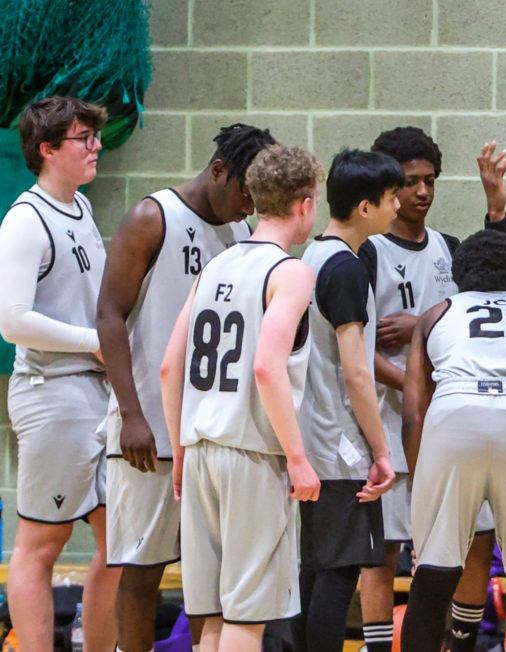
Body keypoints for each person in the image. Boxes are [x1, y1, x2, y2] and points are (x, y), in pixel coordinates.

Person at [96, 123, 275, 652]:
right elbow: (109, 316)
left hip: (211, 432)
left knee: (211, 578)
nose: (249, 205)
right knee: (144, 567)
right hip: (148, 427)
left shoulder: (243, 236)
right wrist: (131, 415)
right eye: (245, 192)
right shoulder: (153, 217)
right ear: (218, 170)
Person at [160, 144, 323, 652]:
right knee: (247, 620)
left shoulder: (215, 266)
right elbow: (266, 366)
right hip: (251, 455)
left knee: (213, 619)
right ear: (305, 204)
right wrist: (298, 458)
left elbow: (170, 366)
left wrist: (181, 451)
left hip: (202, 448)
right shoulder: (290, 272)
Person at [358, 127, 506, 652]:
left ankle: (463, 641)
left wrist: (496, 210)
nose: (422, 192)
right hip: (384, 424)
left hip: (447, 426)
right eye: (410, 182)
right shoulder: (367, 251)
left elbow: (495, 301)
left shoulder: (449, 248)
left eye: (430, 181)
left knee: (475, 538)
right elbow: (355, 350)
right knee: (381, 548)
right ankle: (380, 644)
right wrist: (415, 384)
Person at [398, 229, 506, 652]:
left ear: (458, 282)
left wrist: (425, 483)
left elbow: (413, 413)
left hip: (455, 416)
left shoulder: (438, 313)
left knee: (431, 582)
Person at [0, 96, 120, 652]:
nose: (96, 146)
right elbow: (12, 322)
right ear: (48, 150)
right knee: (40, 545)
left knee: (118, 541)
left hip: (94, 393)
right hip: (52, 394)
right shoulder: (25, 219)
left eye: (94, 136)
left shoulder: (83, 207)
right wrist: (96, 343)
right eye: (84, 138)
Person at [292, 149, 403, 651]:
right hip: (339, 447)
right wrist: (381, 451)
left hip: (312, 439)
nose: (398, 206)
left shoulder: (312, 255)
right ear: (364, 207)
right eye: (390, 198)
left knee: (315, 573)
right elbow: (357, 373)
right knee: (336, 577)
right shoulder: (345, 268)